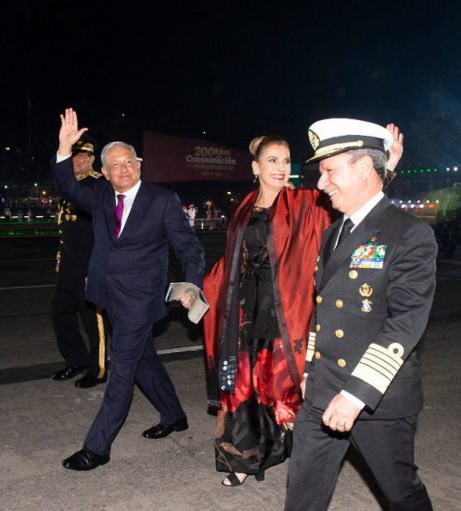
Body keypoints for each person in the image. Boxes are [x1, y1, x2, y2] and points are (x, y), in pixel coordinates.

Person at [202, 126, 404, 487]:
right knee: (247, 386)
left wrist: (386, 168)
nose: (281, 168)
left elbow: (358, 200)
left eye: (286, 161)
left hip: (288, 311)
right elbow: (230, 261)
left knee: (282, 386)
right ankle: (246, 457)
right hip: (246, 312)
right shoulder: (243, 209)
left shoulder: (306, 202)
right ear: (255, 167)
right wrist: (200, 291)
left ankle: (303, 450)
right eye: (272, 161)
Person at [285, 119, 435, 510]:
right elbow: (322, 309)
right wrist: (310, 372)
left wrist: (355, 395)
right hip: (321, 391)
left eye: (330, 171)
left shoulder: (409, 234)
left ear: (365, 168)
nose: (322, 183)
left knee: (402, 495)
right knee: (302, 493)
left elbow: (405, 323)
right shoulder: (333, 233)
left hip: (374, 398)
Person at [55, 108, 205, 471]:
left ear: (139, 165)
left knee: (121, 369)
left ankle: (97, 448)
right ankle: (174, 415)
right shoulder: (101, 196)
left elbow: (189, 247)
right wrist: (64, 149)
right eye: (115, 165)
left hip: (141, 300)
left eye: (129, 162)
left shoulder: (161, 200)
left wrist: (191, 284)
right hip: (109, 296)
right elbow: (67, 187)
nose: (124, 169)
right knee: (143, 360)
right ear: (105, 173)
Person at [50, 135, 109, 389]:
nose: (76, 161)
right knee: (60, 311)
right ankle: (76, 360)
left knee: (92, 320)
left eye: (81, 156)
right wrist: (60, 258)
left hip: (90, 263)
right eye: (72, 156)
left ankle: (97, 369)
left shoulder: (98, 185)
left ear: (92, 159)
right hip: (69, 264)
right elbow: (65, 229)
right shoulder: (70, 186)